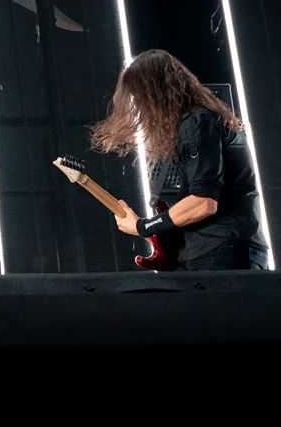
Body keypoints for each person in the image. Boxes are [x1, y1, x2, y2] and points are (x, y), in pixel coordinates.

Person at [91, 49, 269, 270]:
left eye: (140, 95)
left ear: (157, 91)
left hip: (221, 251)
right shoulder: (190, 125)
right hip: (205, 251)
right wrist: (150, 230)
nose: (137, 104)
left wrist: (144, 226)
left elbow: (203, 202)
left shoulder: (197, 122)